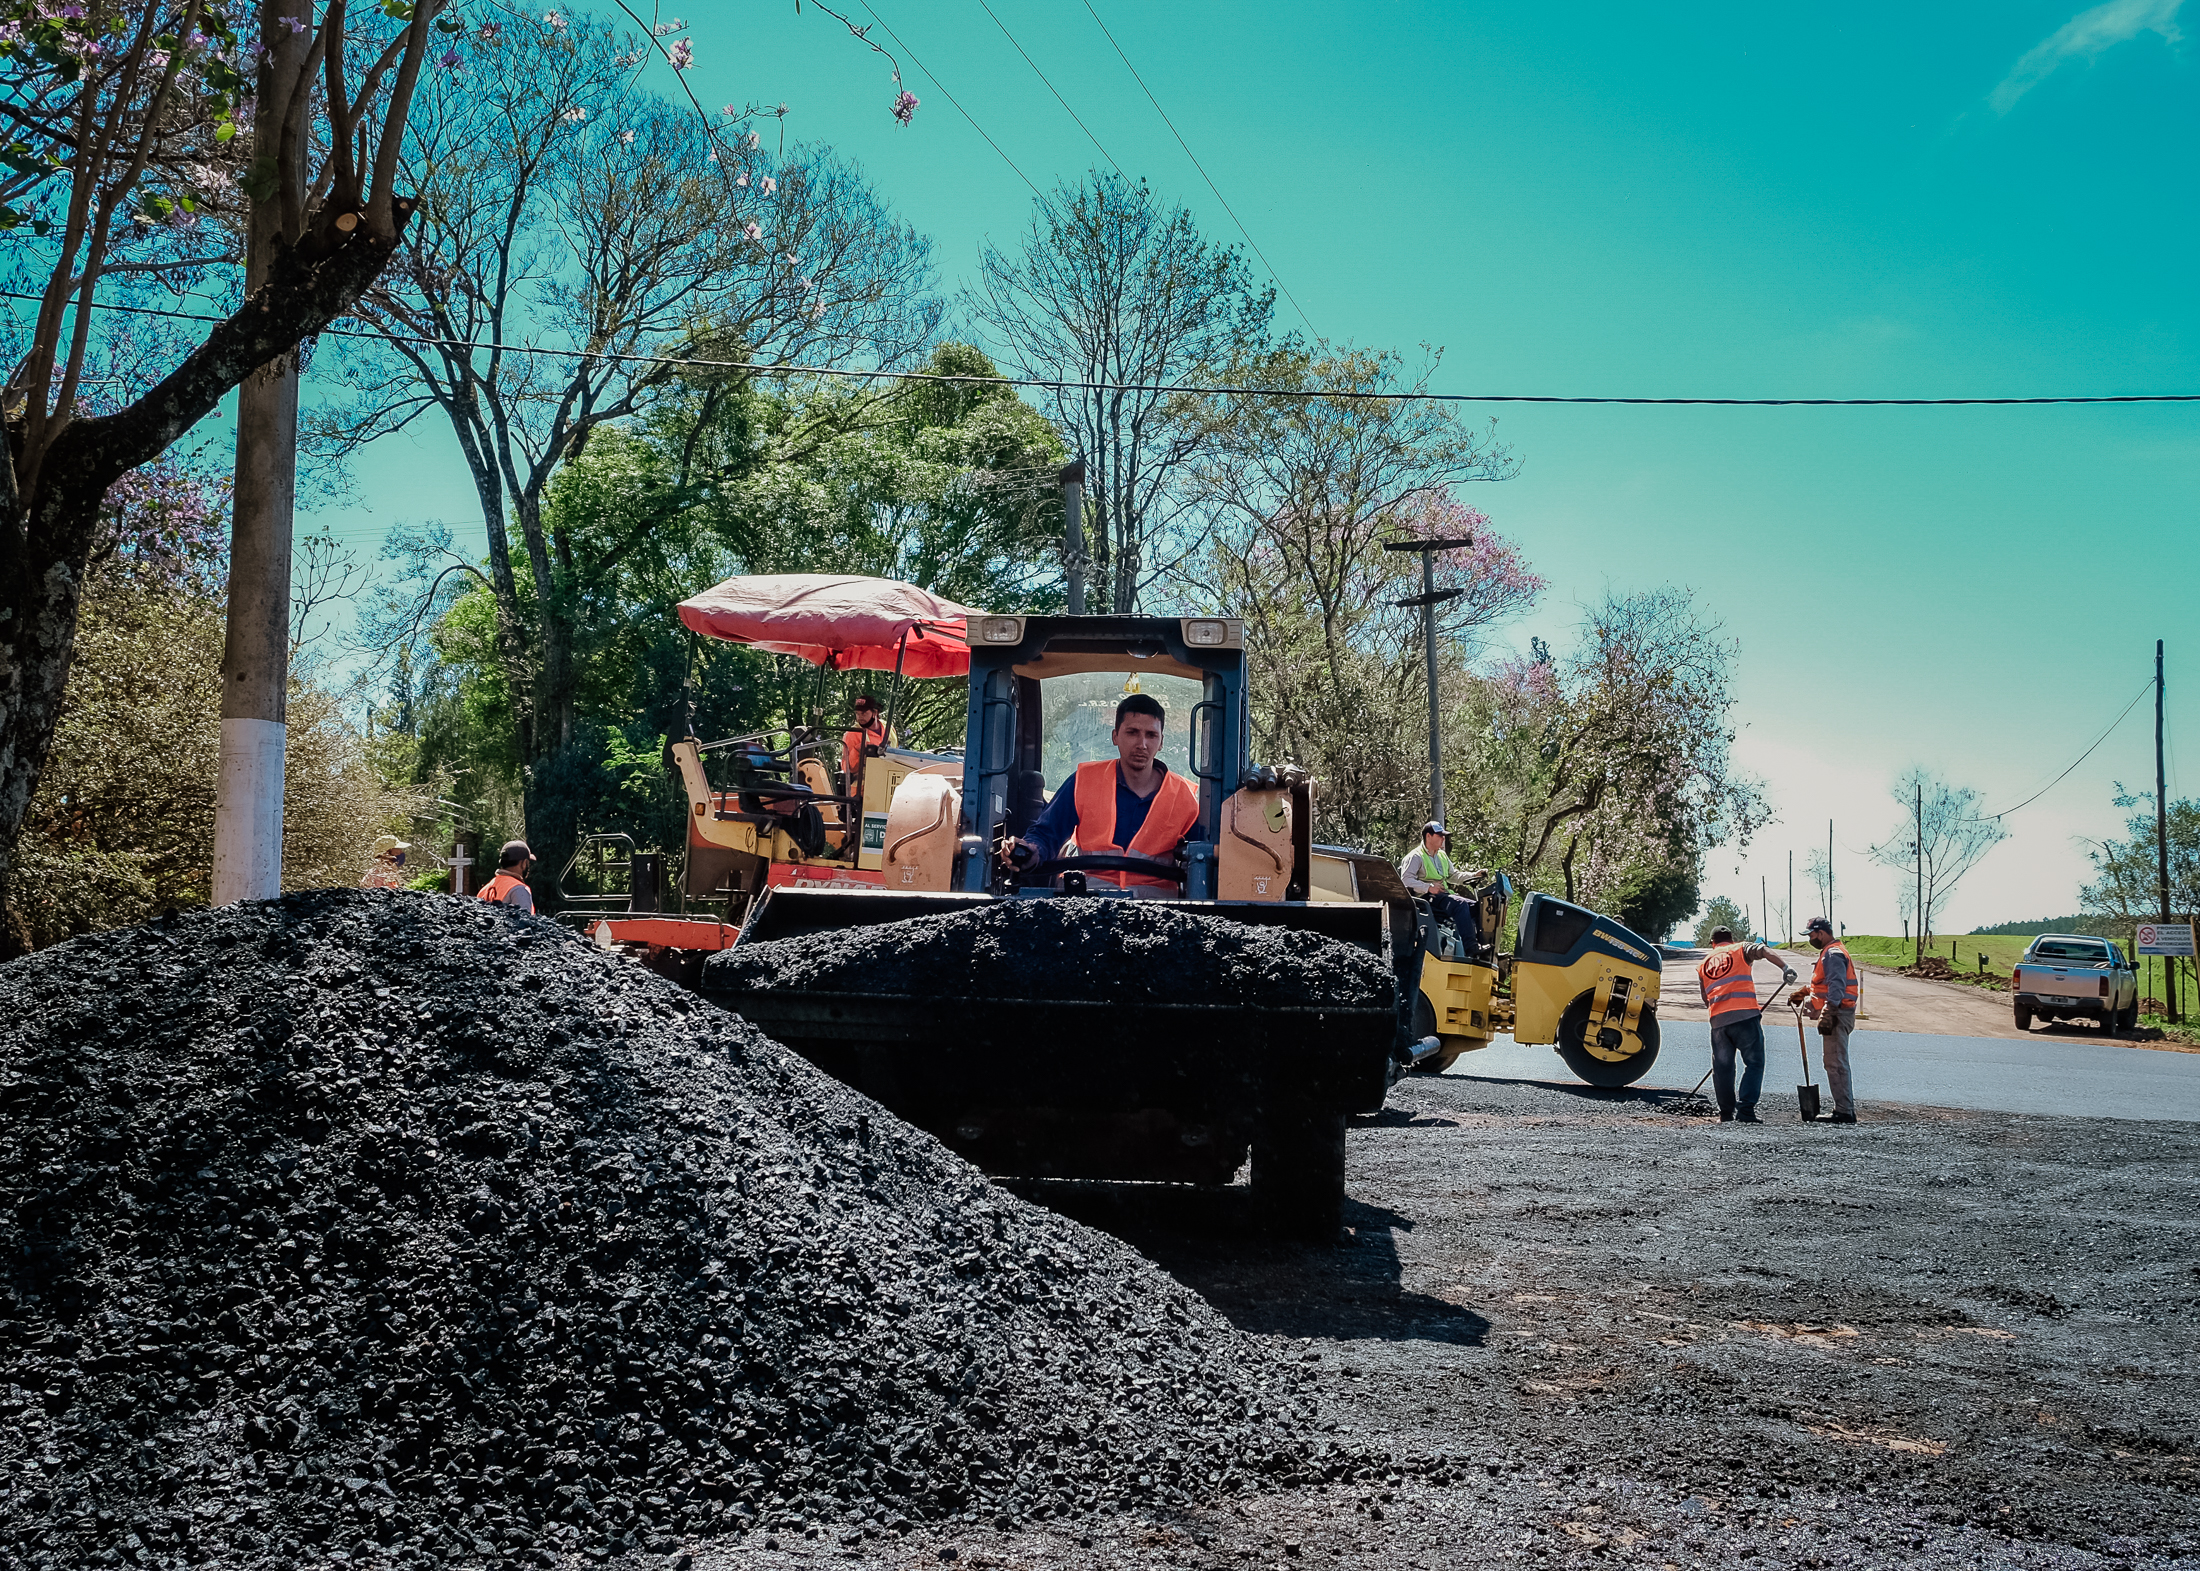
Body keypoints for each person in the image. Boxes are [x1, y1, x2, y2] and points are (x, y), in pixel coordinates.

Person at [1004, 693, 1199, 891]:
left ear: (1161, 741)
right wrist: (1030, 850)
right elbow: (1047, 833)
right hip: (1090, 897)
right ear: (1115, 736)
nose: (1142, 744)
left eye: (1151, 735)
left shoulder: (1184, 797)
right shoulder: (1083, 781)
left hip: (1159, 904)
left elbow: (1202, 856)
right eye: (1132, 732)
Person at [1695, 924, 1798, 1123]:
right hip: (1745, 1018)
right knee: (1754, 1062)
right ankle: (1746, 1110)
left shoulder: (1703, 964)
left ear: (1712, 943)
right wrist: (1785, 967)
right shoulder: (1740, 948)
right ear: (1731, 939)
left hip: (1718, 1021)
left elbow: (1705, 998)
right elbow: (1764, 950)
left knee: (1723, 1068)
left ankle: (1726, 1114)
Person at [1797, 916, 1859, 1122]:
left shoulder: (1832, 954)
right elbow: (1825, 983)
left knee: (1836, 1063)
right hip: (1838, 1013)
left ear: (1821, 933)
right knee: (1833, 1061)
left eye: (1811, 935)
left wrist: (1828, 1011)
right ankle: (1844, 1108)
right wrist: (1805, 992)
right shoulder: (1831, 951)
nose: (1810, 939)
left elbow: (1837, 985)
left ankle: (1844, 1111)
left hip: (1838, 1015)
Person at [1399, 821, 1477, 954]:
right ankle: (1471, 948)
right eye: (1440, 835)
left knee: (1476, 907)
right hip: (1427, 898)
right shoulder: (1415, 857)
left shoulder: (1442, 855)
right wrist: (1428, 887)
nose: (1443, 838)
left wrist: (1474, 875)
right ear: (1428, 836)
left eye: (1443, 835)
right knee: (1460, 905)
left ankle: (1480, 949)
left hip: (1443, 896)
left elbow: (1454, 875)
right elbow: (1406, 880)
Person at [840, 695, 894, 789]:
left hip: (888, 783)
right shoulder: (852, 734)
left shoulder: (889, 728)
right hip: (862, 788)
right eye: (857, 713)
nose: (860, 717)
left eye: (864, 713)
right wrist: (858, 752)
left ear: (875, 713)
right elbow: (846, 768)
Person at [477, 841, 536, 913]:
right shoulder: (519, 889)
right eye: (528, 863)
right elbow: (524, 919)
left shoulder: (484, 890)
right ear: (524, 863)